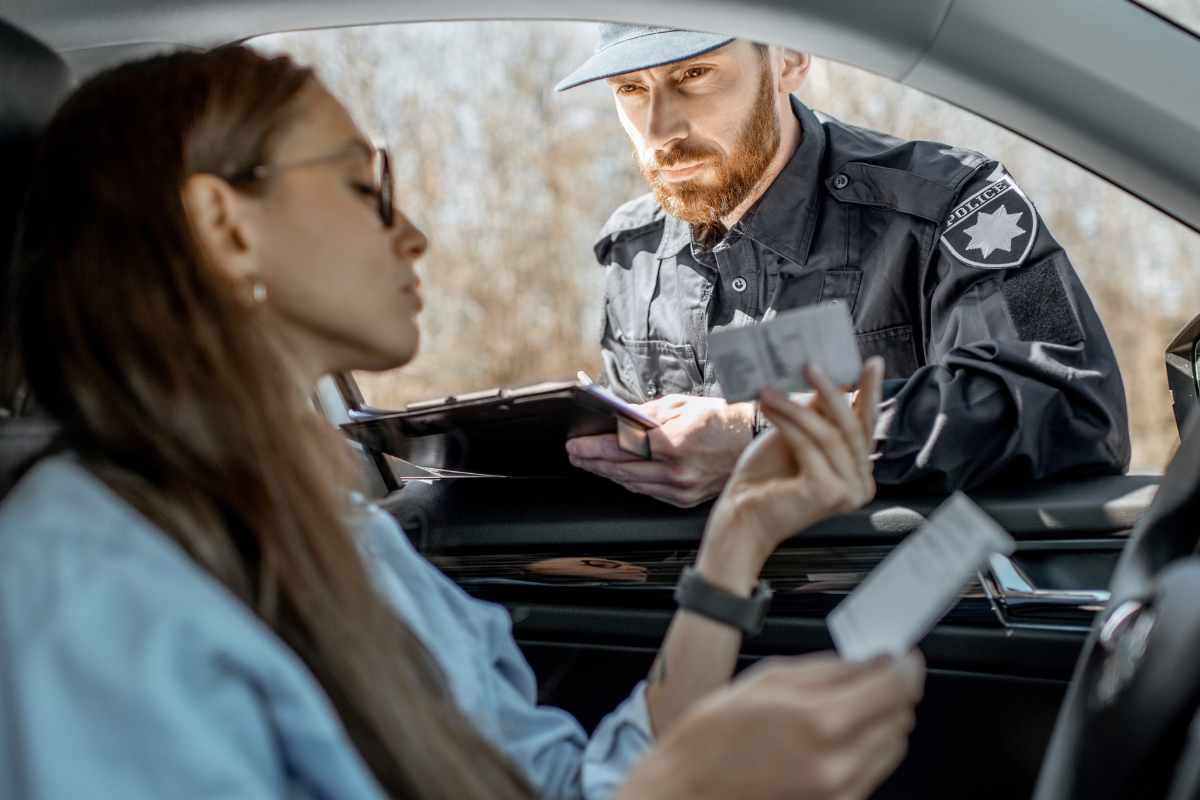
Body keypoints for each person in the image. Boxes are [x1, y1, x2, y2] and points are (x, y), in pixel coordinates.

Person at [0, 46, 924, 800]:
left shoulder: (347, 541)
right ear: (226, 225)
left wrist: (739, 536)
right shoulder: (82, 578)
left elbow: (561, 784)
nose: (415, 237)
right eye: (367, 188)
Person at [560, 25, 1130, 507]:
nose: (661, 132)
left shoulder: (954, 206)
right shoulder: (633, 254)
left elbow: (1073, 407)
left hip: (907, 619)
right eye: (632, 88)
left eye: (694, 75)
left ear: (790, 58)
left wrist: (768, 435)